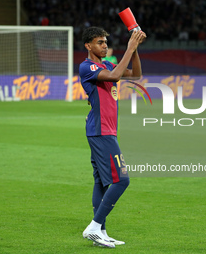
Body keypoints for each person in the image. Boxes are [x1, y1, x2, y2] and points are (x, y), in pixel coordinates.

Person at [79, 26, 146, 248]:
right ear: (89, 46)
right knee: (122, 179)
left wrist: (135, 49)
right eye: (100, 42)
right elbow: (117, 75)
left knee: (101, 181)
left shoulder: (106, 64)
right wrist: (130, 46)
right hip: (101, 131)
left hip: (105, 130)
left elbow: (135, 75)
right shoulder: (87, 66)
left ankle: (102, 233)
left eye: (106, 42)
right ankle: (94, 226)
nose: (105, 45)